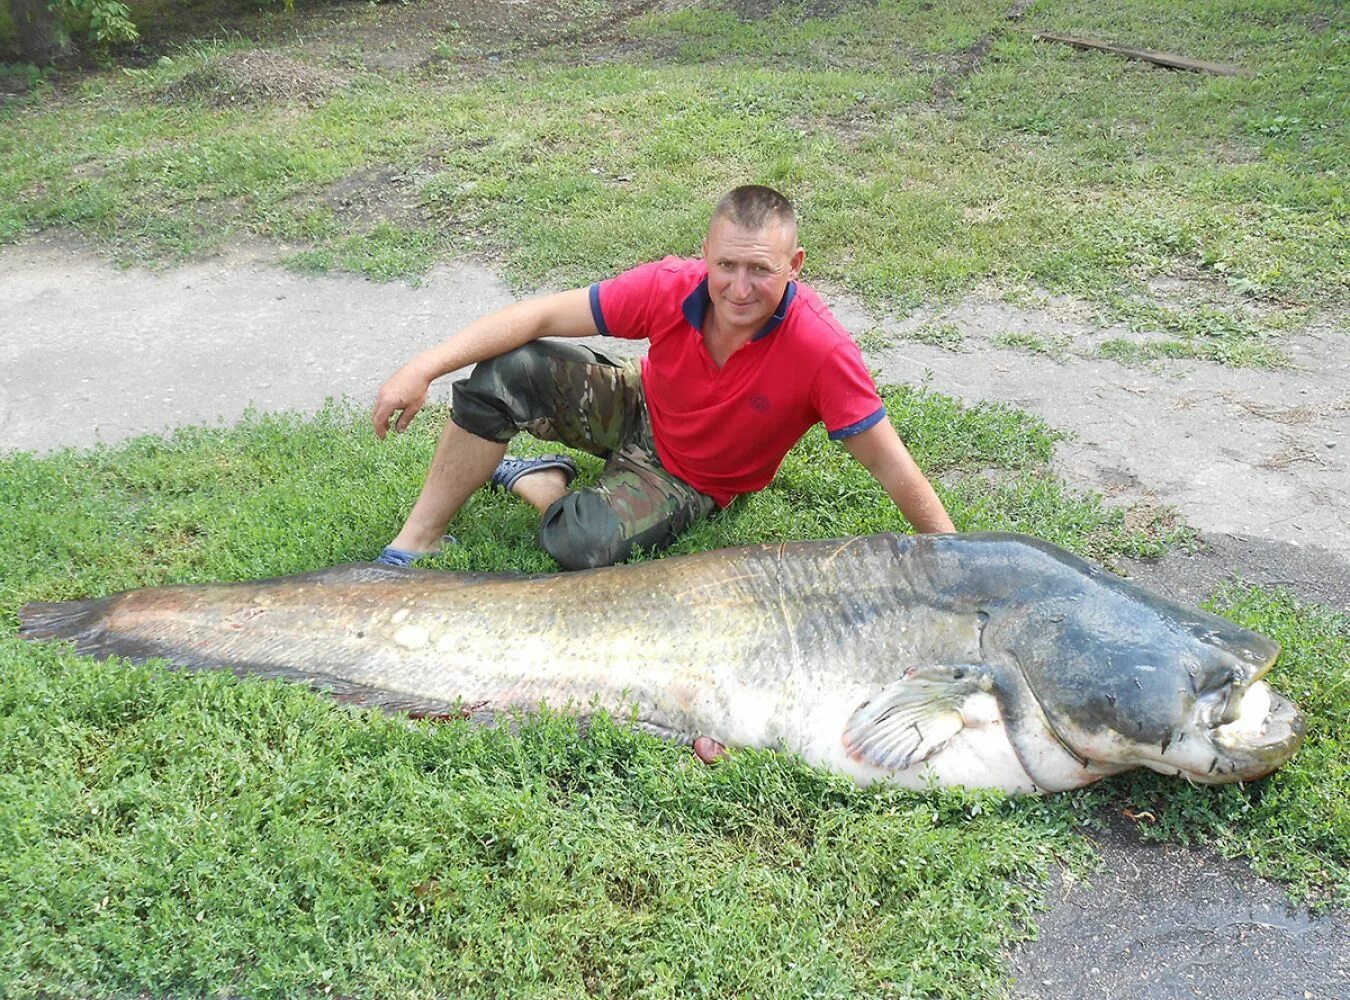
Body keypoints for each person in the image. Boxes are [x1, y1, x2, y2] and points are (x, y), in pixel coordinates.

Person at [371, 185, 956, 758]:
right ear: (705, 254)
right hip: (641, 403)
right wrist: (422, 367)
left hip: (691, 478)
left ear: (795, 265)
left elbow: (891, 465)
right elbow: (538, 313)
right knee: (509, 368)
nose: (739, 287)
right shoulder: (672, 287)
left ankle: (541, 481)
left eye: (761, 270)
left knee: (579, 542)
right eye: (726, 265)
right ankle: (416, 540)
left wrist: (958, 567)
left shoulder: (820, 349)